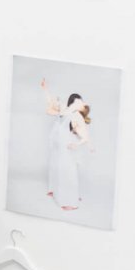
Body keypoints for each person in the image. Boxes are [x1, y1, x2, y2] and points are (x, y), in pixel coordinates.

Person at [42, 80, 92, 211]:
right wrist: (45, 89)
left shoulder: (76, 114)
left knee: (69, 169)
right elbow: (50, 106)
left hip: (68, 142)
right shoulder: (65, 109)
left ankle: (71, 197)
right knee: (58, 165)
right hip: (59, 140)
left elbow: (79, 131)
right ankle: (58, 192)